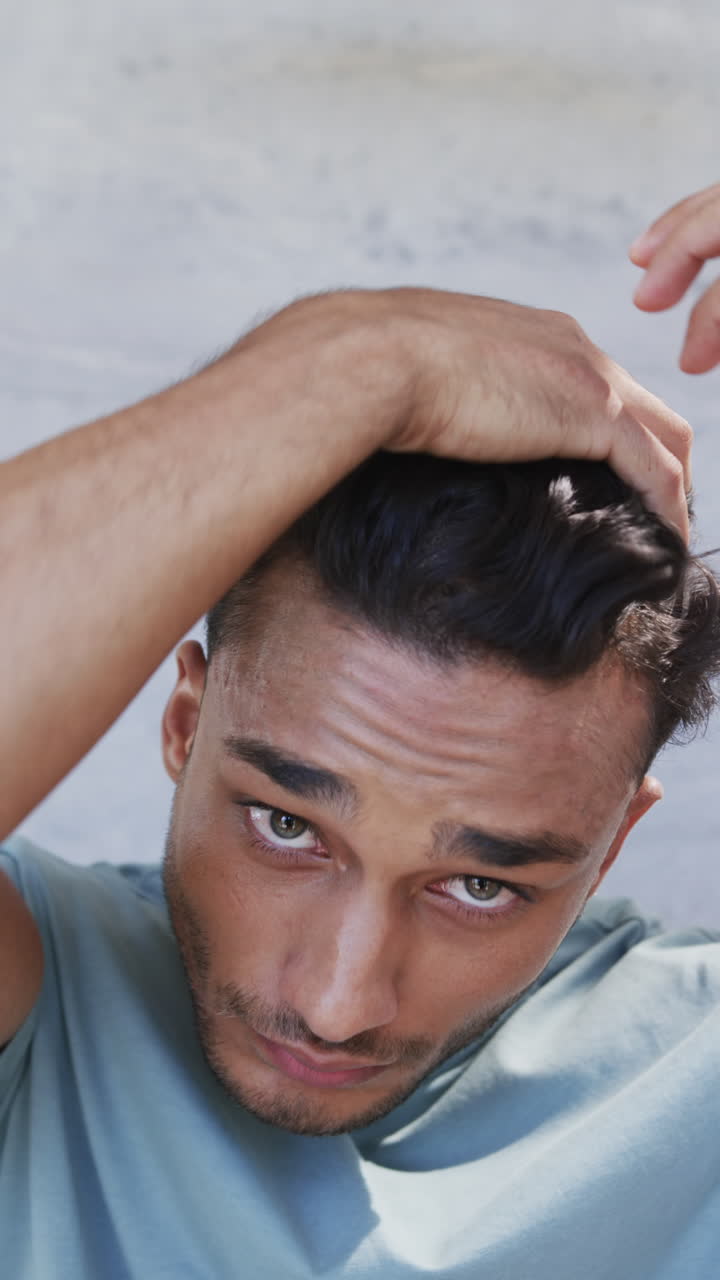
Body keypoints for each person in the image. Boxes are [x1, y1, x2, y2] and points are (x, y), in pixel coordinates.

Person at [0, 184, 719, 1280]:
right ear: (187, 724)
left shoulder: (691, 1068)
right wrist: (358, 357)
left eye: (481, 884)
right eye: (286, 825)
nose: (337, 1002)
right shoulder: (48, 1009)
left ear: (615, 840)